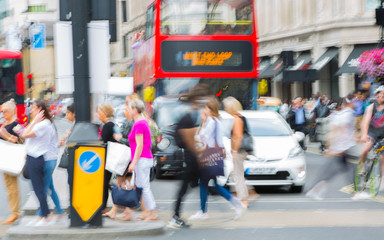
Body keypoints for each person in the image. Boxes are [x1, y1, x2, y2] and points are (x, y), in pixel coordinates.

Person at [188, 98, 245, 221]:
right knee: (209, 184)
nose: (204, 110)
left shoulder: (212, 121)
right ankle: (205, 210)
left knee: (207, 184)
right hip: (213, 156)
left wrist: (202, 123)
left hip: (210, 157)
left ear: (211, 109)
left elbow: (202, 137)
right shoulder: (215, 120)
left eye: (206, 108)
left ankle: (204, 211)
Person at [167, 84, 210, 229]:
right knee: (186, 187)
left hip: (190, 157)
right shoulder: (188, 116)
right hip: (189, 158)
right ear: (197, 100)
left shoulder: (192, 114)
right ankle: (175, 217)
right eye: (203, 99)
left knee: (191, 185)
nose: (205, 102)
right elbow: (190, 140)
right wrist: (200, 157)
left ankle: (177, 216)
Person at [306, 99, 355, 200]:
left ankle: (356, 193)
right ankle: (314, 190)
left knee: (342, 171)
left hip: (340, 148)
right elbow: (340, 131)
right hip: (340, 148)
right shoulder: (345, 115)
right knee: (332, 172)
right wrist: (335, 147)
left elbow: (334, 131)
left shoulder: (338, 115)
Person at [21, 100, 54, 226]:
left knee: (38, 189)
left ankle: (46, 214)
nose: (31, 110)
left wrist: (34, 121)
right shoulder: (41, 123)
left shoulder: (43, 125)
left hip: (36, 158)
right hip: (32, 157)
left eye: (34, 108)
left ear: (40, 110)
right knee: (37, 187)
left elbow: (24, 134)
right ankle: (44, 214)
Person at [223, 96, 258, 208]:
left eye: (226, 107)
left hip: (239, 150)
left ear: (231, 107)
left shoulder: (237, 119)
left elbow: (237, 137)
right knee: (237, 174)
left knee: (238, 175)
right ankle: (248, 193)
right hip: (242, 150)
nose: (225, 109)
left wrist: (234, 151)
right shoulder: (241, 117)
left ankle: (243, 200)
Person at [127, 98, 158, 221]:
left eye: (129, 109)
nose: (128, 111)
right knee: (140, 186)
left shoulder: (139, 123)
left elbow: (139, 145)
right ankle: (148, 212)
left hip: (142, 159)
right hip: (143, 158)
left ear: (135, 110)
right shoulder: (142, 122)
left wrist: (133, 163)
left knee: (144, 187)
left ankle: (152, 213)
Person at [359, 86, 384, 189]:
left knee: (383, 157)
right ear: (376, 96)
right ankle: (362, 166)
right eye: (379, 95)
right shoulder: (371, 107)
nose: (381, 97)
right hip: (372, 133)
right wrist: (364, 135)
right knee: (365, 149)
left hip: (382, 134)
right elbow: (365, 122)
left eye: (383, 96)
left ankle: (382, 179)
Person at [0, 100, 21, 224]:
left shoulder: (16, 124)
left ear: (13, 111)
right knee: (8, 186)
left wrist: (5, 134)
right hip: (5, 157)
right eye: (2, 111)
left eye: (5, 111)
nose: (3, 114)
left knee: (12, 186)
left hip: (13, 158)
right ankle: (13, 212)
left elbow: (21, 140)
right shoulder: (4, 124)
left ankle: (15, 213)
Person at [97, 104, 116, 212]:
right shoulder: (113, 125)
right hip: (111, 158)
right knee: (106, 182)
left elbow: (102, 143)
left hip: (107, 159)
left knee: (104, 183)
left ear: (104, 114)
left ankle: (103, 206)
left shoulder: (107, 126)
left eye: (99, 113)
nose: (98, 115)